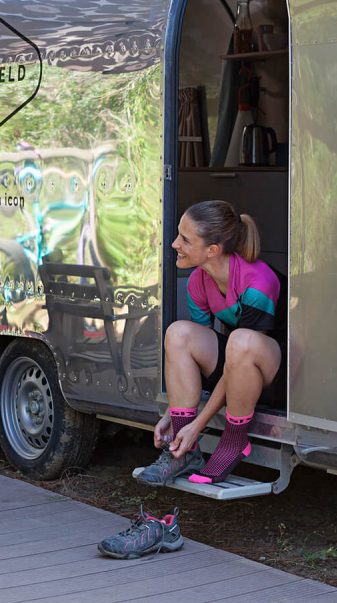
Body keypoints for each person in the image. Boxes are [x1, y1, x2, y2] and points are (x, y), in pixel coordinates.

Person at [136, 200, 283, 487]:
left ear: (212, 250)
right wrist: (173, 413)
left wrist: (198, 425)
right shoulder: (198, 282)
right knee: (178, 332)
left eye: (185, 240)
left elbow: (241, 357)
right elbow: (199, 360)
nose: (175, 244)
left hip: (278, 375)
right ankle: (183, 452)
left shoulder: (258, 282)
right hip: (237, 364)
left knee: (240, 340)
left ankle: (234, 440)